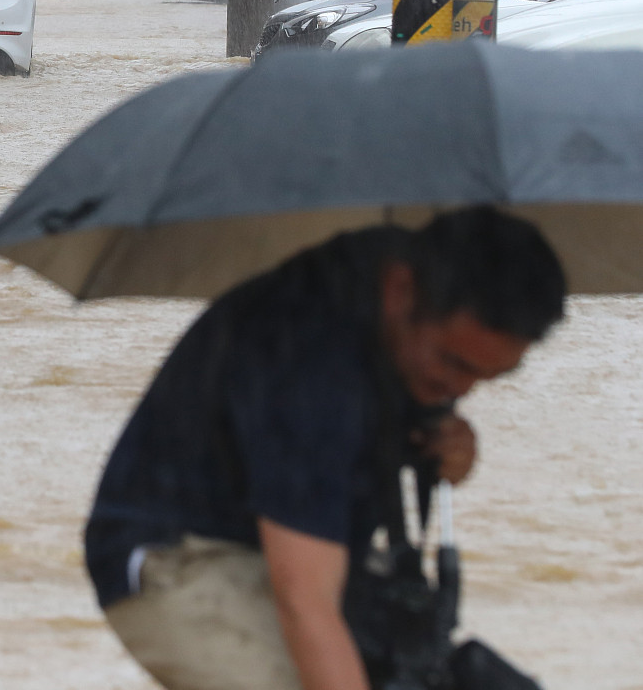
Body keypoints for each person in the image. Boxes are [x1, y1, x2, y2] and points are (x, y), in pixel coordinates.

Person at [85, 207, 566, 690]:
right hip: (176, 557)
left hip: (302, 548)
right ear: (400, 291)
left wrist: (447, 440)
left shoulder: (407, 291)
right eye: (453, 363)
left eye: (486, 376)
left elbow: (407, 425)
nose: (461, 390)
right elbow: (305, 603)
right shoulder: (309, 368)